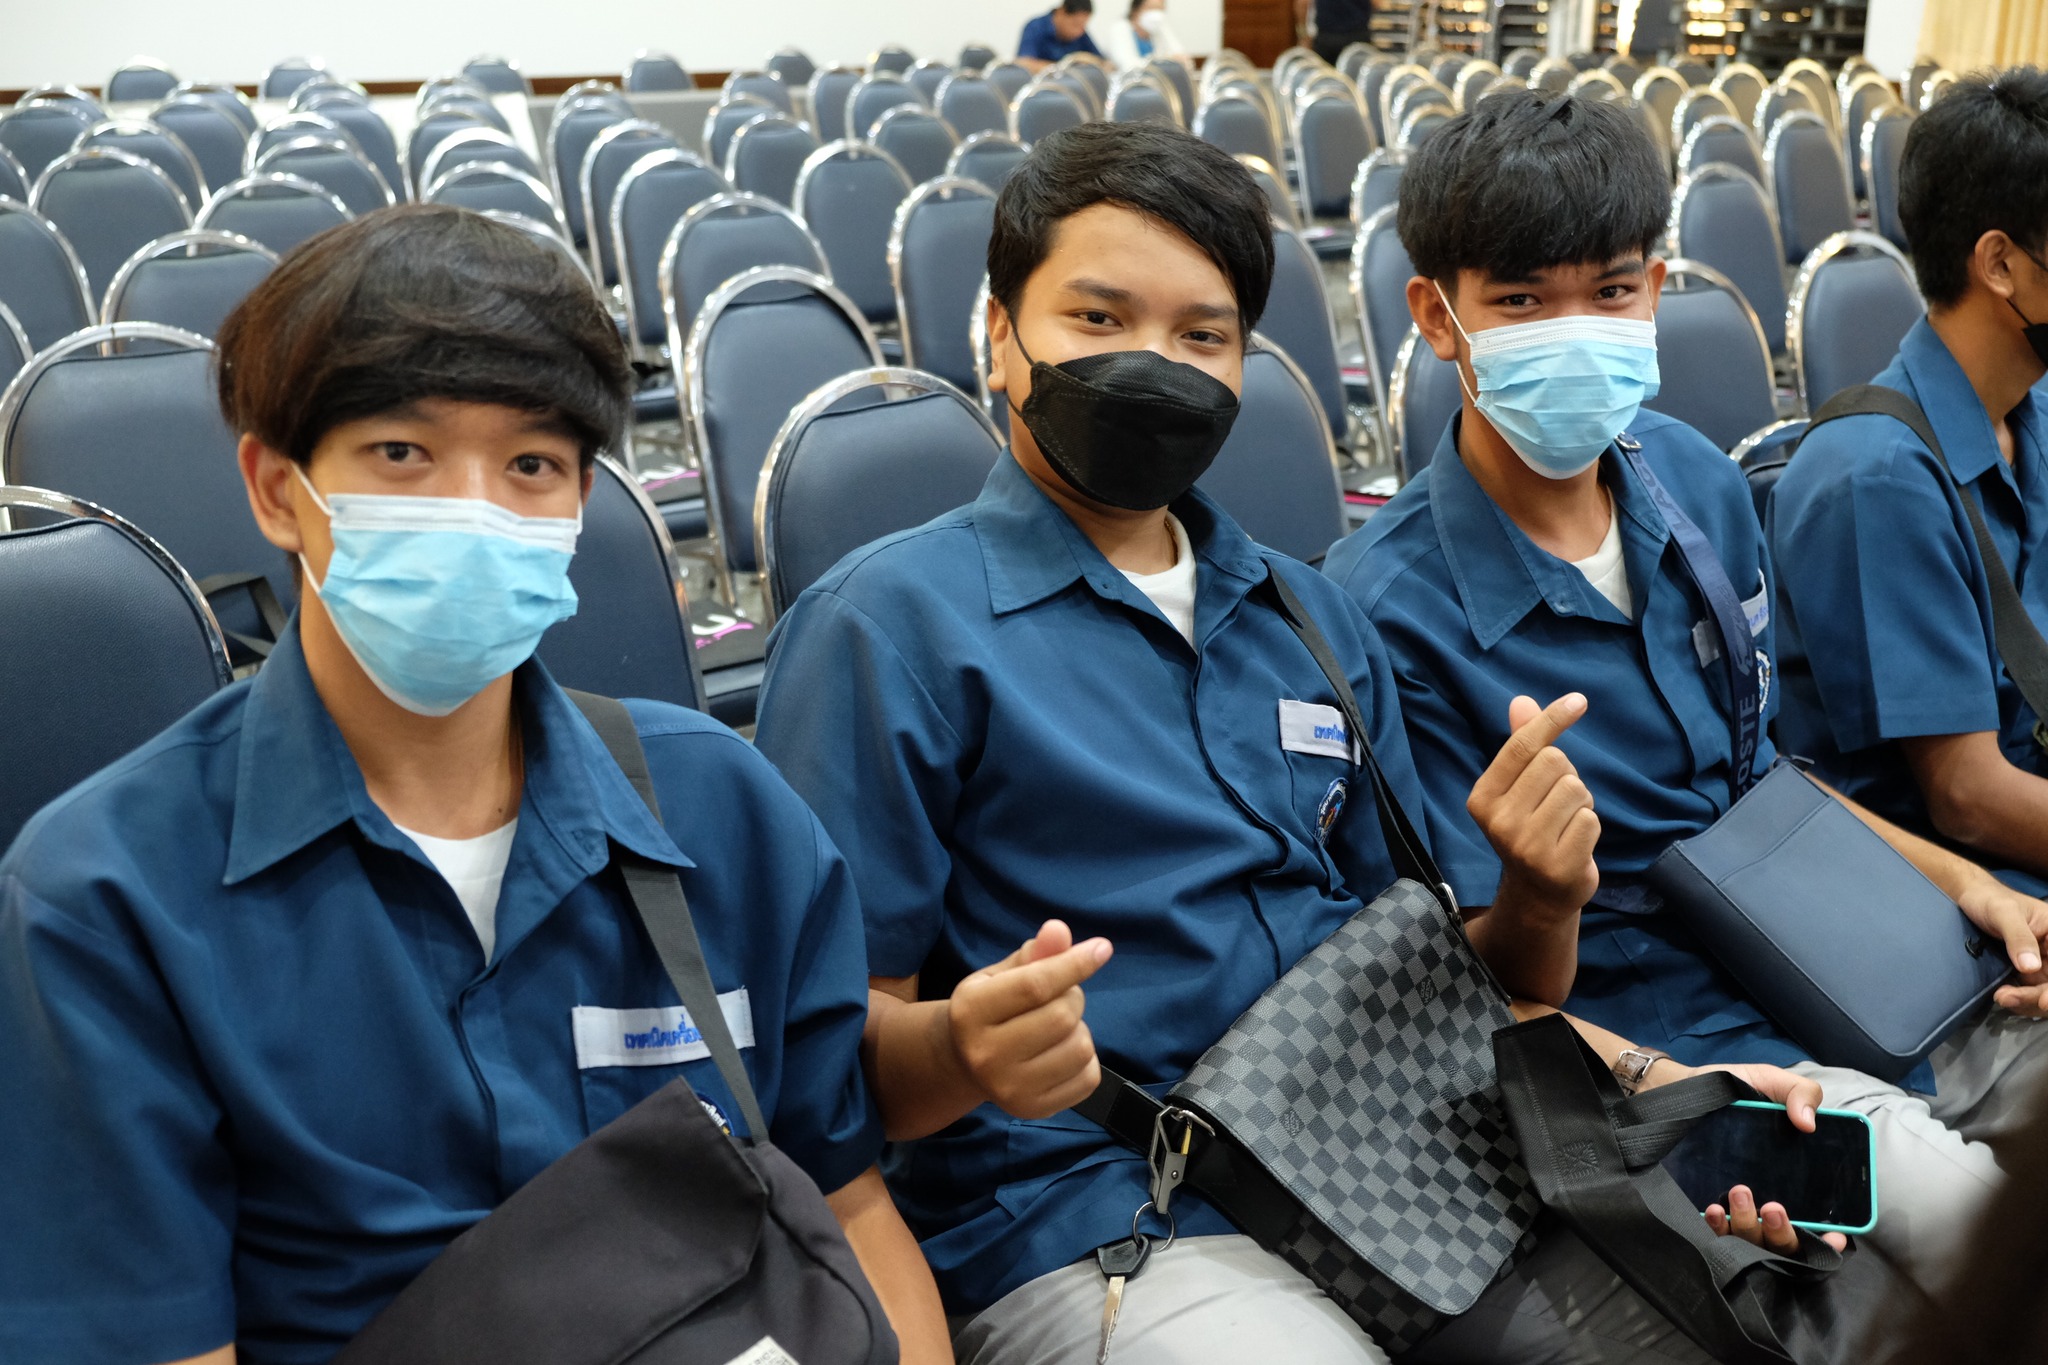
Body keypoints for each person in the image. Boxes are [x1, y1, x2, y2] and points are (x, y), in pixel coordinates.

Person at [756, 120, 1842, 1365]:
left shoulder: (1308, 618)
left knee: (1743, 1320)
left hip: (1392, 1164)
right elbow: (823, 1078)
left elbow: (1455, 981)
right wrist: (959, 1047)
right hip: (1104, 1210)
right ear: (997, 335)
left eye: (1200, 336)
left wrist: (1556, 920)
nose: (1151, 366)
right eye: (1096, 321)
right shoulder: (886, 628)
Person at [0, 206, 949, 1365]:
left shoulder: (723, 808)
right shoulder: (105, 897)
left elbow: (848, 1215)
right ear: (274, 488)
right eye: (403, 454)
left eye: (532, 465)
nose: (473, 510)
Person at [1322, 89, 2048, 1304]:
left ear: (1654, 287)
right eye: (1518, 301)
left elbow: (1763, 778)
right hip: (1673, 1041)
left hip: (1848, 957)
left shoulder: (1697, 487)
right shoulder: (1377, 613)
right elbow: (1459, 979)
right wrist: (1667, 1082)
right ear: (1436, 319)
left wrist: (1974, 893)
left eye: (1607, 293)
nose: (1573, 330)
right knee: (1997, 1257)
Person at [1771, 70, 2048, 900]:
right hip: (1944, 891)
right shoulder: (1877, 477)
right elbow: (1965, 795)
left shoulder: (2031, 411)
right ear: (2000, 264)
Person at [1097, 0, 1190, 70]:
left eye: (1160, 9)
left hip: (1157, 86)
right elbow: (1128, 66)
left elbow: (1183, 59)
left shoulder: (1160, 29)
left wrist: (1175, 60)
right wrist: (1165, 62)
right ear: (1136, 11)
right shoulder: (1119, 29)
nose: (1156, 15)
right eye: (1151, 8)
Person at [1017, 0, 1102, 72]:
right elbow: (1024, 63)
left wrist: (1092, 61)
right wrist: (1066, 68)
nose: (1079, 31)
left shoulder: (1081, 34)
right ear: (1061, 12)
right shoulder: (1036, 27)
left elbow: (1105, 63)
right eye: (1075, 24)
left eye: (1083, 25)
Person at [1298, 0, 1374, 65]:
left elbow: (1302, 4)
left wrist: (1304, 34)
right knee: (1356, 78)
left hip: (1327, 38)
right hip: (1357, 37)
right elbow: (1377, 3)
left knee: (1326, 78)